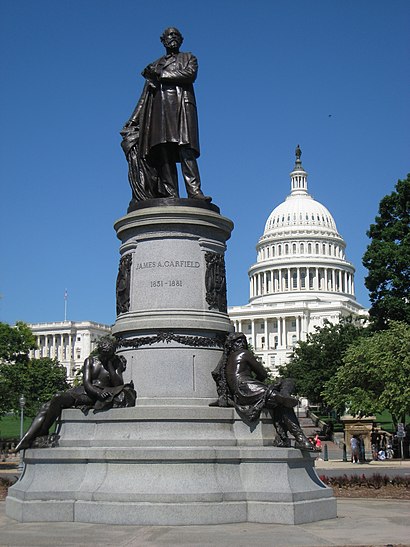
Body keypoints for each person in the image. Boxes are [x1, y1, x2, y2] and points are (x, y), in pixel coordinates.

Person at [121, 27, 211, 204]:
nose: (173, 38)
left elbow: (189, 75)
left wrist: (160, 75)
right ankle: (171, 193)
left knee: (186, 150)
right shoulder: (156, 64)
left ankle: (194, 191)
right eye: (169, 36)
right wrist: (133, 120)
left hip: (182, 108)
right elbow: (145, 95)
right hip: (160, 113)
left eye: (176, 35)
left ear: (181, 40)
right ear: (163, 40)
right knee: (164, 152)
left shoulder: (188, 58)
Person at [15, 336, 136, 452]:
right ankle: (30, 437)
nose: (105, 357)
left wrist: (110, 366)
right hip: (87, 391)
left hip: (94, 396)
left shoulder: (116, 362)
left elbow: (118, 384)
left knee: (57, 399)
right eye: (104, 354)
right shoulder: (90, 361)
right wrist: (98, 392)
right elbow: (87, 383)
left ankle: (37, 434)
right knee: (46, 406)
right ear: (100, 351)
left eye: (109, 354)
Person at [211, 332, 318, 451]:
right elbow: (262, 373)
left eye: (243, 341)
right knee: (286, 389)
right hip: (247, 387)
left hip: (240, 393)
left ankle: (284, 403)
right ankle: (301, 438)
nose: (241, 344)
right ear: (231, 345)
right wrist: (258, 383)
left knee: (279, 400)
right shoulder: (244, 353)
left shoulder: (225, 361)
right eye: (238, 341)